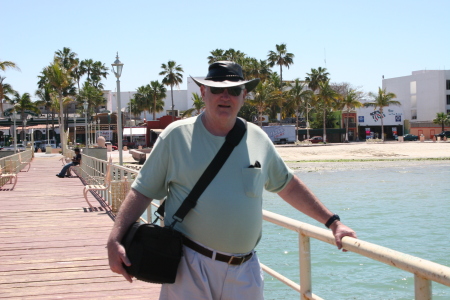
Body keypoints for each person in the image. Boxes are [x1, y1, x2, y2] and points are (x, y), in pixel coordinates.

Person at [107, 61, 357, 299]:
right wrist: (115, 239)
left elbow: (288, 185)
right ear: (204, 92)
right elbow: (142, 191)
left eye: (234, 89)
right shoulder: (176, 136)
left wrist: (333, 223)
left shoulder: (258, 138)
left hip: (245, 269)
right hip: (189, 265)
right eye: (217, 89)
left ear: (244, 95)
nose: (225, 96)